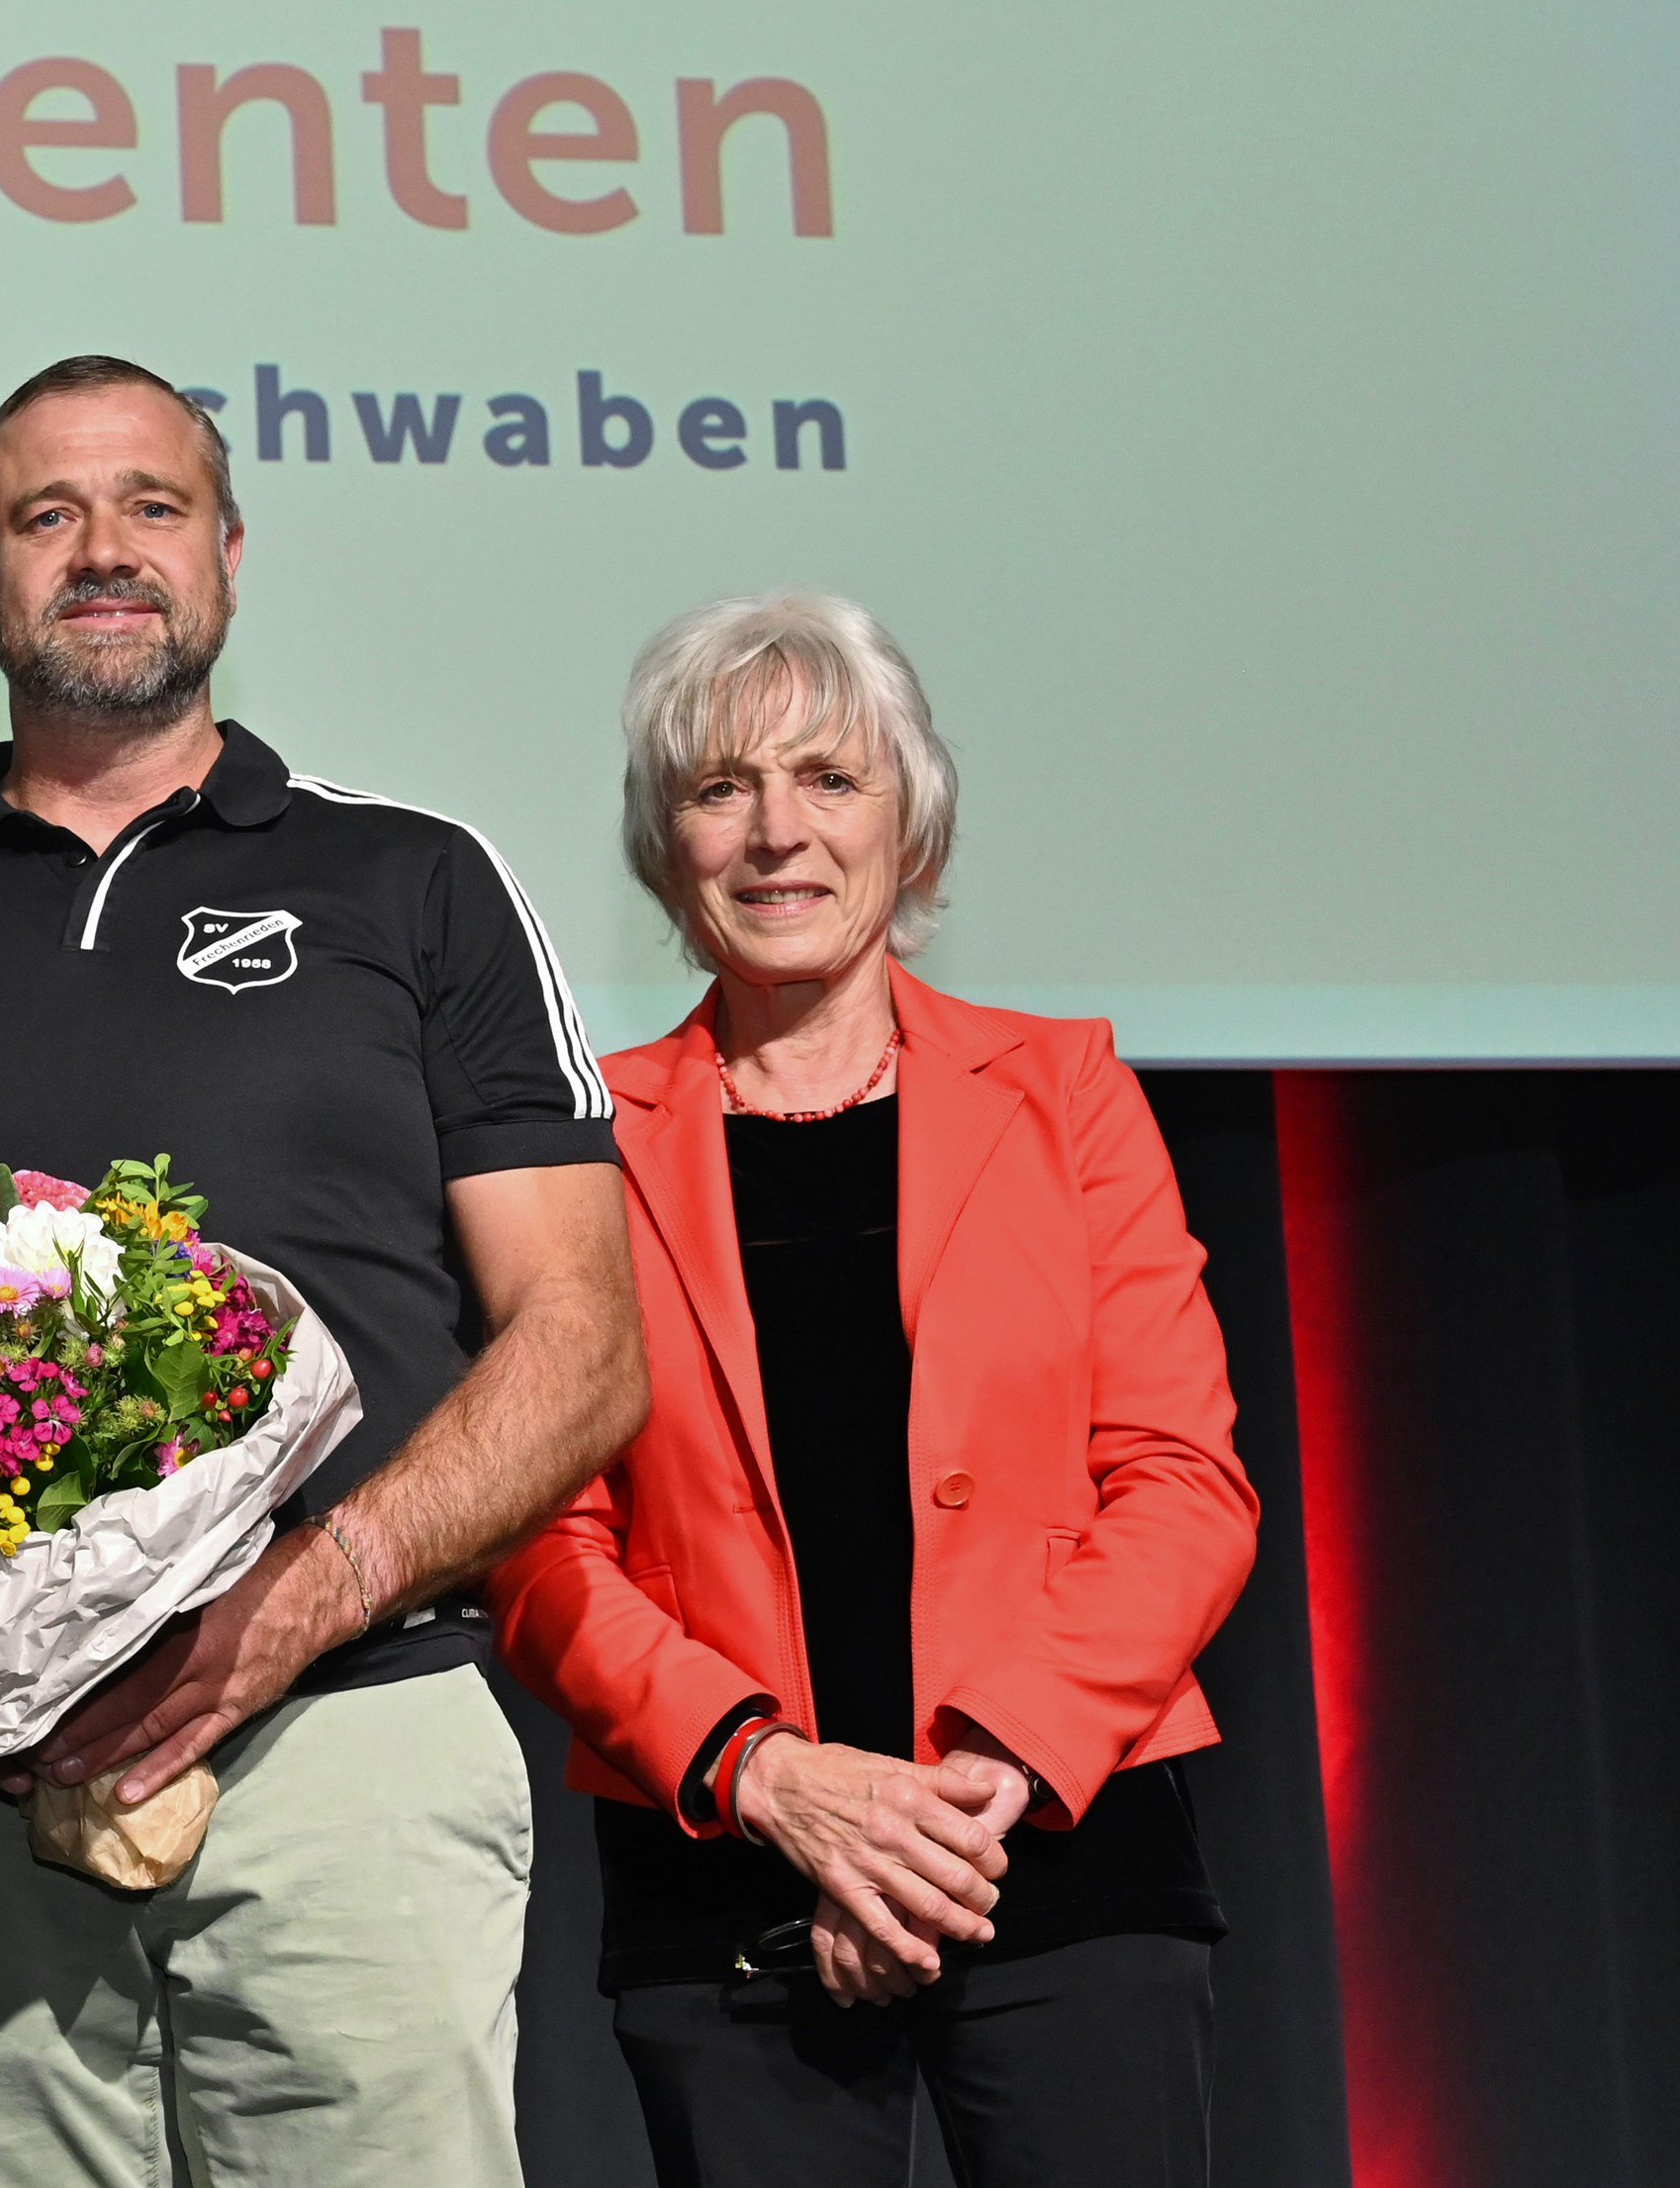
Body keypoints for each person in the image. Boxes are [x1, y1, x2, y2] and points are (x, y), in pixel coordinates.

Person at [0, 354, 648, 2188]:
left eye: (150, 505)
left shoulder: (414, 883)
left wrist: (296, 1599)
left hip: (352, 1732)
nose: (102, 551)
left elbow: (587, 1341)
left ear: (228, 550)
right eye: (42, 514)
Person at [488, 589, 1260, 2187]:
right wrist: (778, 1781)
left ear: (911, 826)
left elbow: (1185, 1484)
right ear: (665, 846)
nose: (777, 832)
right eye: (721, 788)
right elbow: (541, 1545)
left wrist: (962, 1802)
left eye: (830, 779)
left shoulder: (1069, 1093)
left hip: (1055, 1863)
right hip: (729, 1888)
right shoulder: (586, 1148)